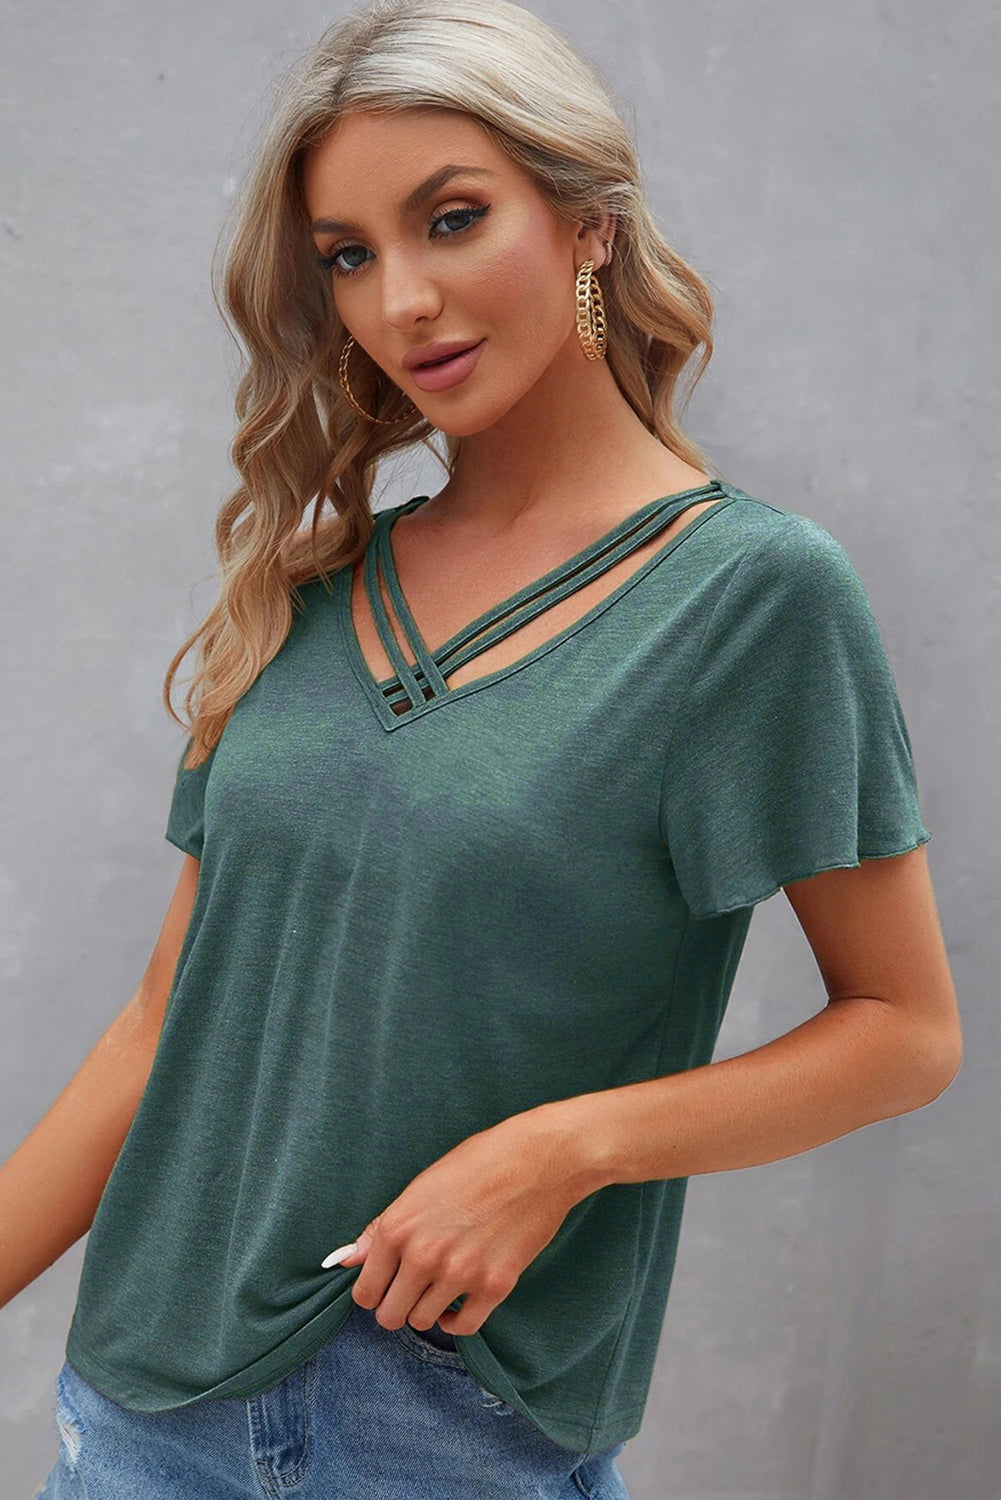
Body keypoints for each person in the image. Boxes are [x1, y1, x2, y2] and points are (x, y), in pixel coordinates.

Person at [8, 1, 961, 1496]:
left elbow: (903, 1029)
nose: (402, 301)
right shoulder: (309, 590)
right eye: (348, 255)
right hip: (139, 1414)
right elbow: (161, 1020)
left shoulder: (751, 601)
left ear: (586, 223)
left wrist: (563, 1150)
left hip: (440, 1423)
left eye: (452, 219)